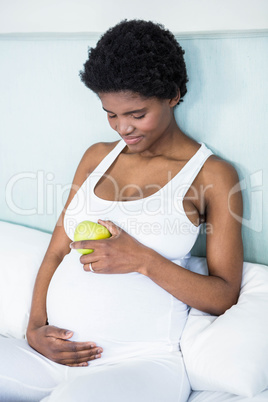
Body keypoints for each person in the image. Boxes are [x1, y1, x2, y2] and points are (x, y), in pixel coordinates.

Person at [0, 19, 243, 401]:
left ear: (173, 95)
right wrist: (34, 329)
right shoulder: (95, 158)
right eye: (110, 114)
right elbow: (56, 252)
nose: (122, 129)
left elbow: (224, 295)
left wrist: (142, 259)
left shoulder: (212, 174)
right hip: (50, 357)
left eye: (136, 114)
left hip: (139, 363)